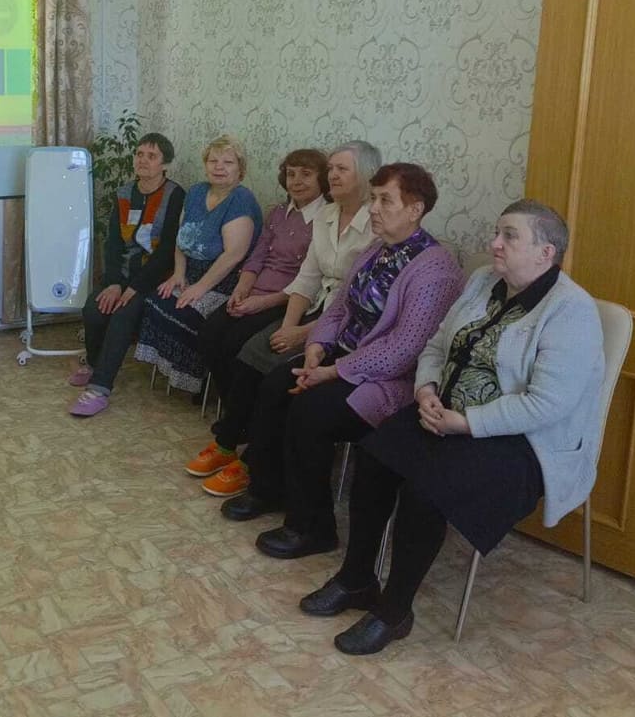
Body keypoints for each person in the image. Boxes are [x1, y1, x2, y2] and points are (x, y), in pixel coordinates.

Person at [300, 200, 605, 655]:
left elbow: (548, 404)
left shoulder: (571, 311)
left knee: (425, 491)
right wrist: (425, 389)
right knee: (375, 454)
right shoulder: (483, 281)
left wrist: (467, 422)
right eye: (497, 232)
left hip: (522, 441)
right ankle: (356, 578)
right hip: (445, 411)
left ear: (546, 253)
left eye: (509, 236)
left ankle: (394, 610)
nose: (494, 243)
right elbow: (437, 345)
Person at [220, 164, 463, 567]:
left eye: (386, 200)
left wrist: (333, 371)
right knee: (276, 383)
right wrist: (316, 347)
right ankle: (268, 488)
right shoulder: (377, 249)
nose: (374, 209)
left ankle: (313, 527)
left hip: (391, 381)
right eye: (374, 198)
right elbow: (340, 307)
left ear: (415, 209)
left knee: (311, 410)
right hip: (345, 358)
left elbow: (404, 350)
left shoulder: (435, 269)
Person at [188, 141, 379, 496]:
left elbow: (355, 301)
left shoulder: (375, 225)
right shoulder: (328, 215)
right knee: (251, 355)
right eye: (331, 169)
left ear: (366, 176)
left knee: (274, 376)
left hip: (338, 320)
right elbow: (307, 278)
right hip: (311, 306)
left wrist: (301, 332)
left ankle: (253, 462)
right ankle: (228, 443)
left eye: (341, 169)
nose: (333, 175)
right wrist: (289, 327)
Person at [133, 135, 262, 395]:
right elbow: (182, 236)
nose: (219, 167)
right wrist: (178, 274)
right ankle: (171, 369)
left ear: (240, 169)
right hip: (190, 271)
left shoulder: (241, 200)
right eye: (213, 161)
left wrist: (200, 288)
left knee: (185, 312)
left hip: (224, 281)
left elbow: (233, 255)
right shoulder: (196, 192)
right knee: (154, 300)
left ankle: (193, 379)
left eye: (228, 162)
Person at [68, 133, 185, 417]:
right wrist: (113, 283)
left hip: (155, 277)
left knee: (123, 314)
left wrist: (135, 287)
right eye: (139, 154)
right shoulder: (123, 193)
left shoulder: (175, 195)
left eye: (152, 156)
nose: (143, 160)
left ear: (165, 164)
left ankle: (99, 388)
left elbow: (167, 250)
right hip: (122, 275)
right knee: (94, 308)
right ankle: (94, 363)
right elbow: (112, 244)